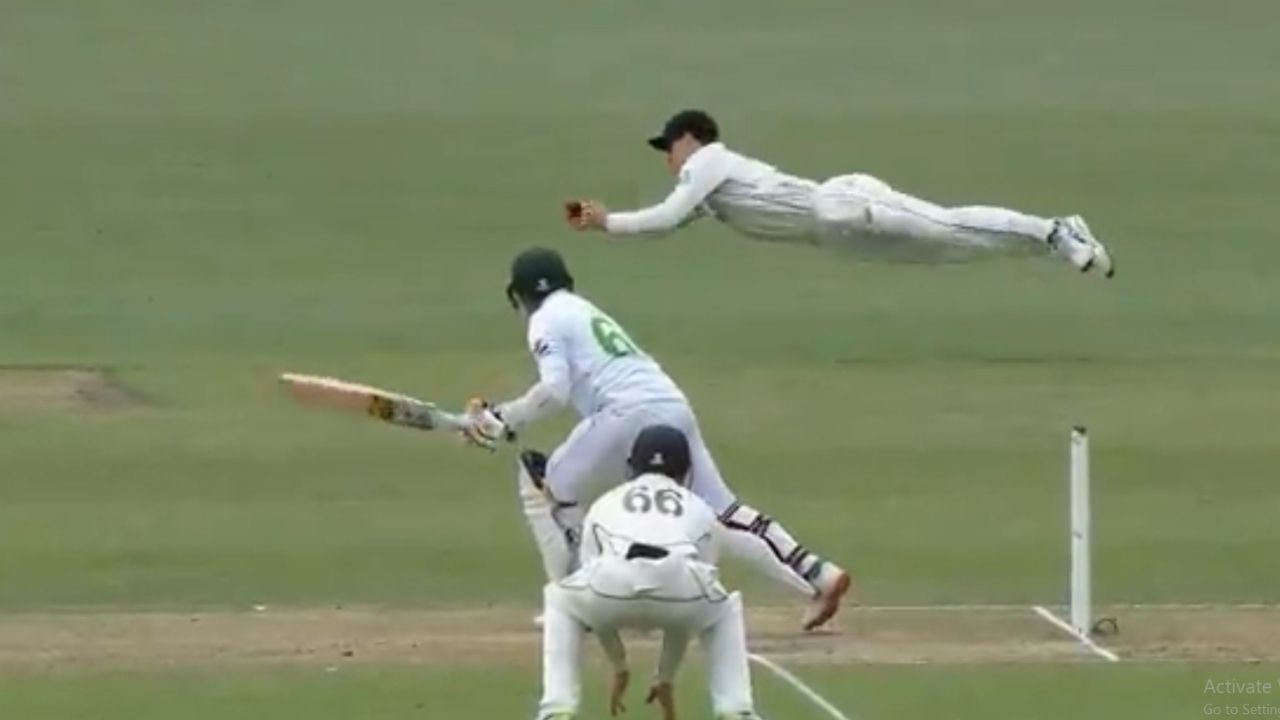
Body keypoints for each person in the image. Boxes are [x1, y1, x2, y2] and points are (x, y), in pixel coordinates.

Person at [461, 247, 851, 631]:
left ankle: (577, 599)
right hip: (670, 404)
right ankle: (818, 573)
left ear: (519, 296)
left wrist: (503, 417)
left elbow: (555, 390)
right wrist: (505, 419)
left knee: (552, 485)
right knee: (723, 511)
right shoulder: (581, 309)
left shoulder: (544, 319)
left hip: (624, 414)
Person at [566, 109, 1115, 277]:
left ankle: (1055, 230)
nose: (667, 156)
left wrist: (608, 222)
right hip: (839, 237)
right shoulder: (707, 191)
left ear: (692, 139)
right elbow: (669, 223)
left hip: (842, 203)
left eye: (670, 145)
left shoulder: (708, 161)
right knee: (953, 249)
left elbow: (665, 217)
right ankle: (1052, 244)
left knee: (949, 227)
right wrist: (603, 221)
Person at [534, 424, 761, 720]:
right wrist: (665, 676)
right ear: (686, 471)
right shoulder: (701, 510)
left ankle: (556, 709)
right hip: (681, 590)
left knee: (560, 599)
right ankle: (736, 710)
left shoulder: (605, 503)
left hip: (610, 586)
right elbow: (689, 601)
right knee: (723, 608)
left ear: (631, 467)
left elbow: (596, 593)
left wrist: (620, 666)